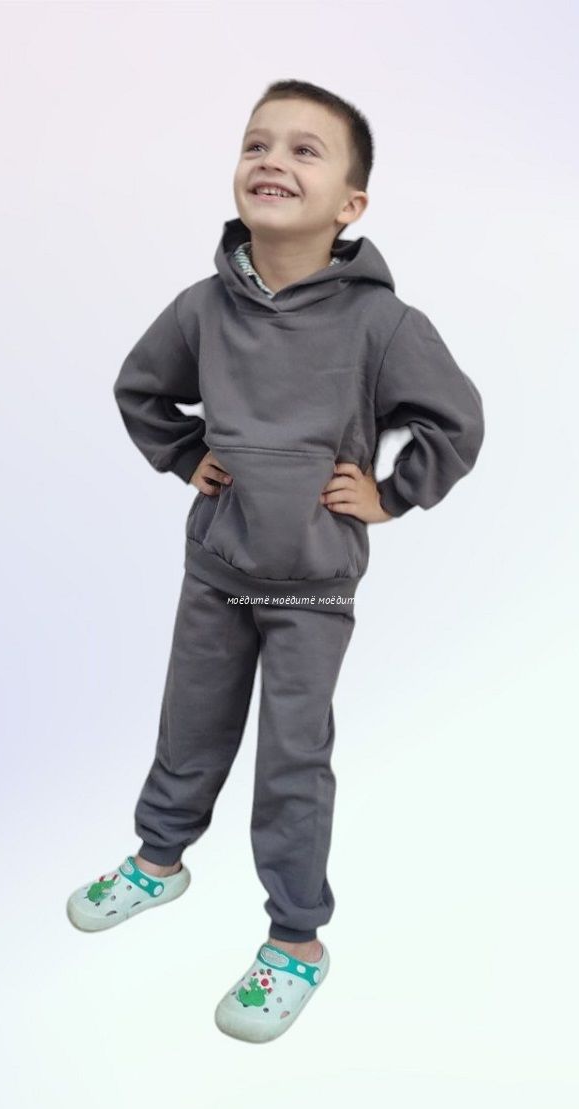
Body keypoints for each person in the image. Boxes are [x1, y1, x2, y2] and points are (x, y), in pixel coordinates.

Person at [66, 79, 485, 1043]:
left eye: (305, 150)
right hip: (217, 571)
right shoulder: (200, 309)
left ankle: (296, 940)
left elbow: (457, 422)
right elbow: (140, 391)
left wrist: (391, 493)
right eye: (258, 144)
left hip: (312, 587)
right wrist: (187, 457)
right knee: (189, 727)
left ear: (351, 204)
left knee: (292, 761)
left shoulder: (382, 325)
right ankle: (158, 861)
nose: (273, 161)